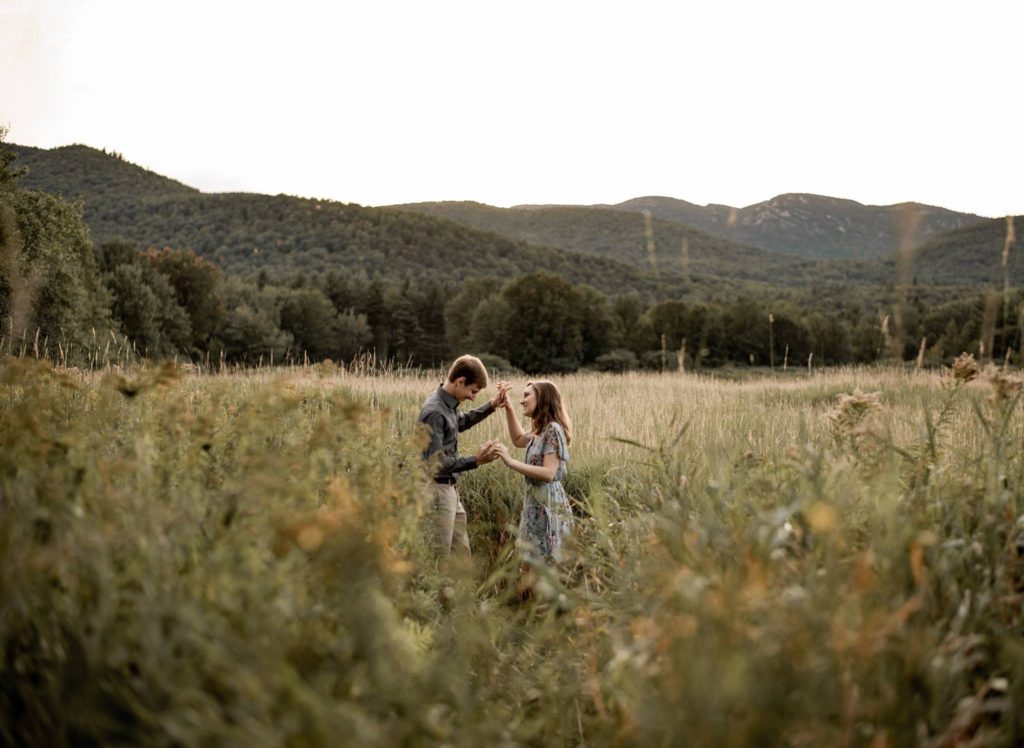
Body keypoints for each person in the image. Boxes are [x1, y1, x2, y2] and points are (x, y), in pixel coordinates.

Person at [418, 354, 510, 555]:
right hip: (437, 492)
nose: (473, 397)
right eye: (472, 391)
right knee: (439, 558)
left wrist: (492, 405)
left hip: (450, 492)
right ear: (460, 382)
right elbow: (435, 463)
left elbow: (462, 421)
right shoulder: (435, 411)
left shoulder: (447, 405)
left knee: (462, 557)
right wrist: (475, 460)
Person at [494, 380, 574, 562]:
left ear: (543, 398)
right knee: (530, 565)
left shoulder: (553, 429)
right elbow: (518, 439)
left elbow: (548, 473)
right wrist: (507, 407)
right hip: (534, 504)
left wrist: (510, 461)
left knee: (544, 567)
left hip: (548, 506)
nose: (522, 401)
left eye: (526, 395)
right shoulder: (540, 431)